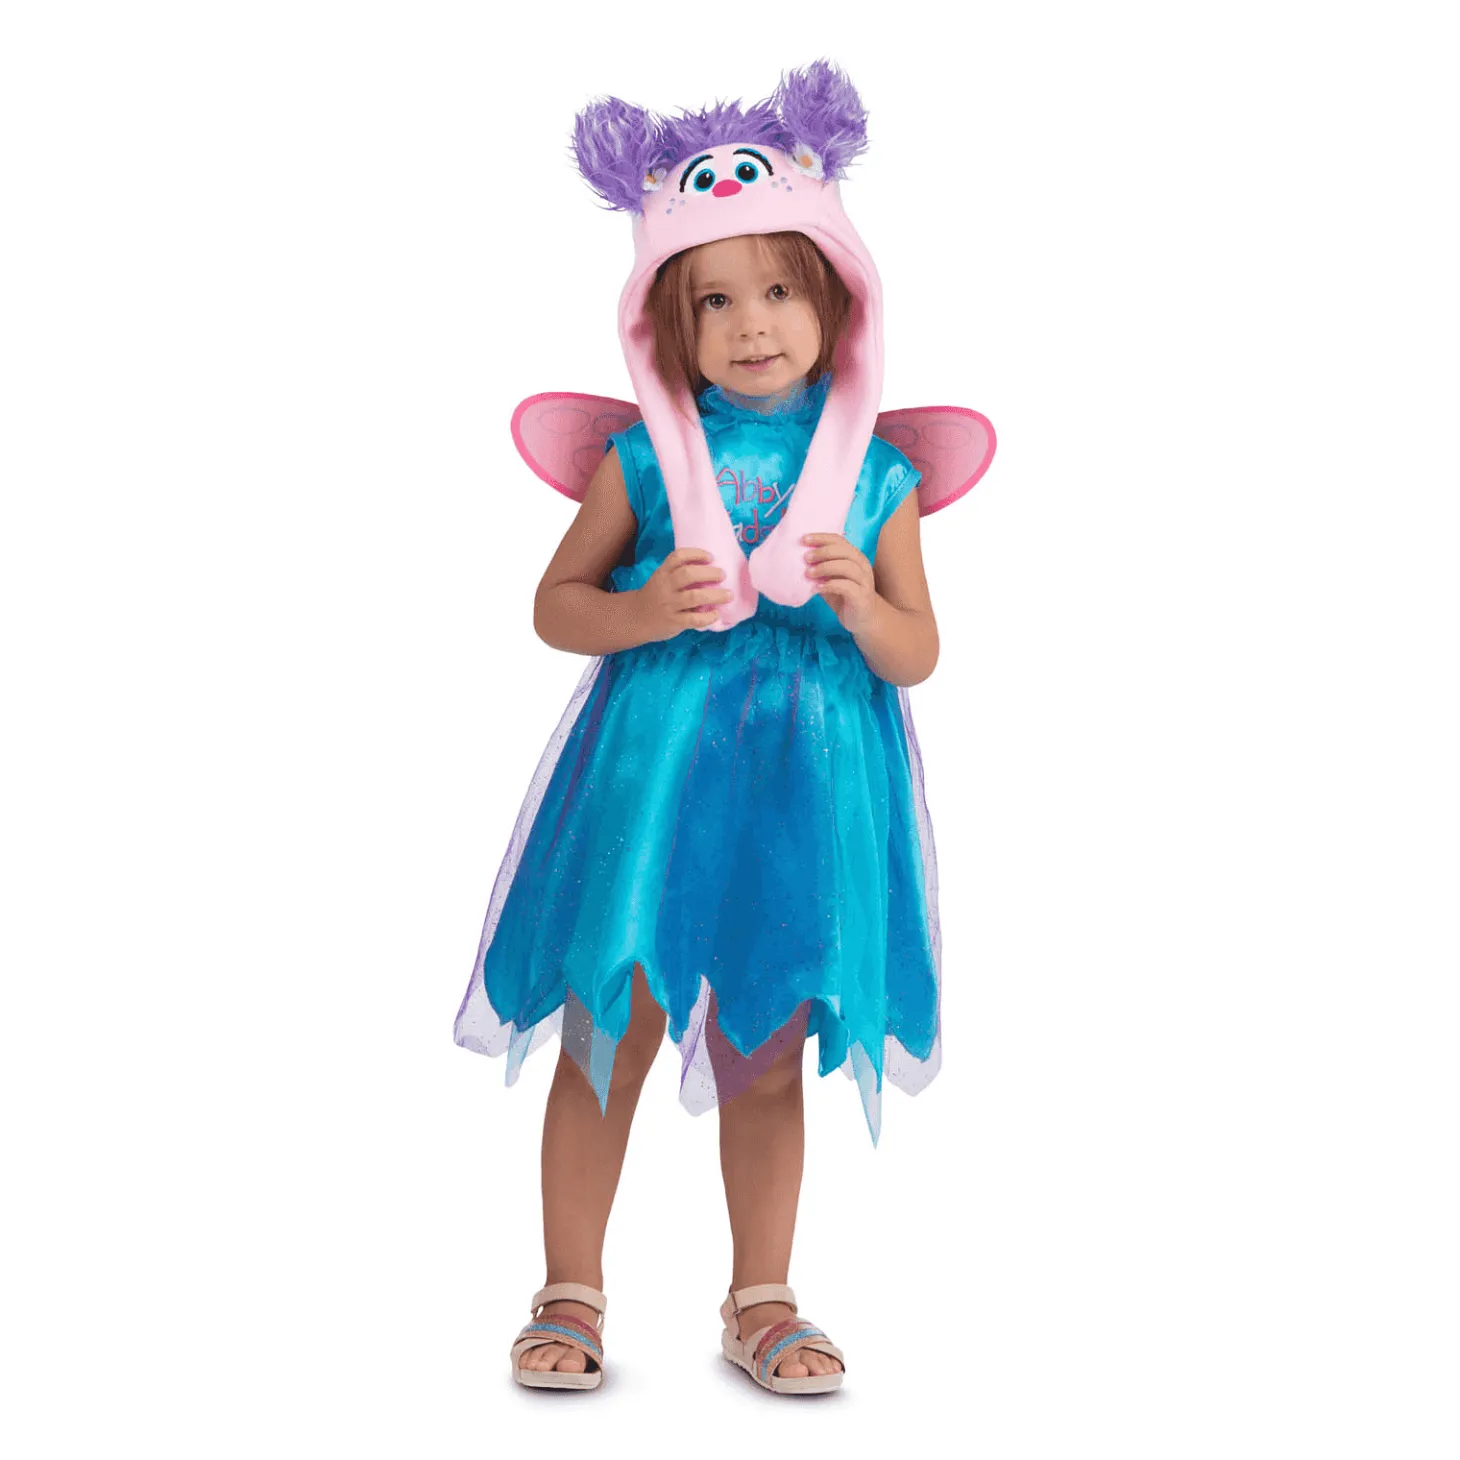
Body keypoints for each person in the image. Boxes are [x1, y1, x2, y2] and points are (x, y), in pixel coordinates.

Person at [455, 62, 950, 1395]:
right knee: (606, 1026)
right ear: (662, 329)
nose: (749, 325)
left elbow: (921, 648)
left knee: (768, 1044)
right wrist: (641, 611)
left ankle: (762, 1297)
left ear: (838, 300)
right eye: (711, 302)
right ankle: (569, 1289)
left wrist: (862, 605)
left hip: (805, 794)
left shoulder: (879, 479)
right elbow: (556, 605)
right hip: (657, 784)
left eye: (778, 290)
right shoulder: (639, 466)